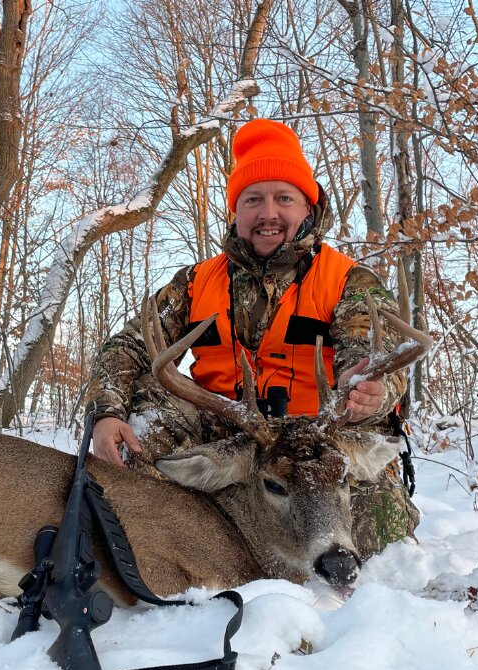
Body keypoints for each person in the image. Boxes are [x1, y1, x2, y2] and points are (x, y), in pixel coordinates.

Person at [85, 118, 418, 559]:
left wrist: (369, 391)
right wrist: (106, 412)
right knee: (136, 445)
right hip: (230, 433)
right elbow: (127, 347)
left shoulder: (349, 282)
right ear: (237, 211)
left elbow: (374, 354)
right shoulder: (195, 282)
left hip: (319, 443)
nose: (268, 214)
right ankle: (165, 559)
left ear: (307, 207)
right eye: (253, 200)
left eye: (284, 198)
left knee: (379, 533)